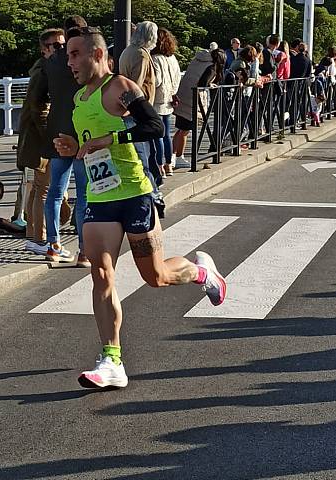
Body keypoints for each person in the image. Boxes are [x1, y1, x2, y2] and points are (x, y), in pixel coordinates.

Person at [54, 26, 227, 389]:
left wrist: (110, 138)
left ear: (97, 54)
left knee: (156, 276)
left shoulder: (119, 88)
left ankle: (202, 274)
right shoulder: (79, 98)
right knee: (101, 275)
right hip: (100, 198)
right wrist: (75, 146)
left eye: (74, 54)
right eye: (68, 55)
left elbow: (153, 126)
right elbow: (91, 143)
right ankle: (111, 360)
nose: (69, 61)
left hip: (134, 193)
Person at [16, 28, 70, 255]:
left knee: (39, 188)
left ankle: (32, 235)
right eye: (55, 46)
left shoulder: (42, 68)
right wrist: (52, 135)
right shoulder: (44, 71)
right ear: (43, 48)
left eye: (62, 45)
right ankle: (40, 239)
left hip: (37, 139)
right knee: (44, 190)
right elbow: (40, 107)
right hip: (42, 140)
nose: (60, 49)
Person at [42, 15, 90, 266]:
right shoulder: (86, 59)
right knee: (83, 195)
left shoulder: (52, 62)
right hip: (83, 134)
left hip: (58, 133)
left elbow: (41, 97)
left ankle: (53, 244)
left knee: (55, 193)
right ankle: (83, 250)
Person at [119, 21, 161, 186]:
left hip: (129, 109)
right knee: (144, 153)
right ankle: (150, 188)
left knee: (142, 151)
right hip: (138, 110)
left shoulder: (128, 51)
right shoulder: (141, 55)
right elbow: (136, 85)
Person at [172, 48, 226, 168]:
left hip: (182, 95)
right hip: (192, 99)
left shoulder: (198, 59)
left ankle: (172, 156)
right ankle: (179, 157)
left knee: (180, 129)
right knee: (185, 131)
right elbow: (202, 83)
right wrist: (210, 85)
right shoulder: (212, 67)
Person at [151, 27, 181, 177]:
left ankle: (159, 165)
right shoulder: (173, 58)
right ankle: (169, 164)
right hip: (169, 98)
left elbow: (156, 81)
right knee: (166, 134)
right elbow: (177, 78)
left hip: (156, 100)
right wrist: (173, 92)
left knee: (157, 136)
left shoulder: (155, 59)